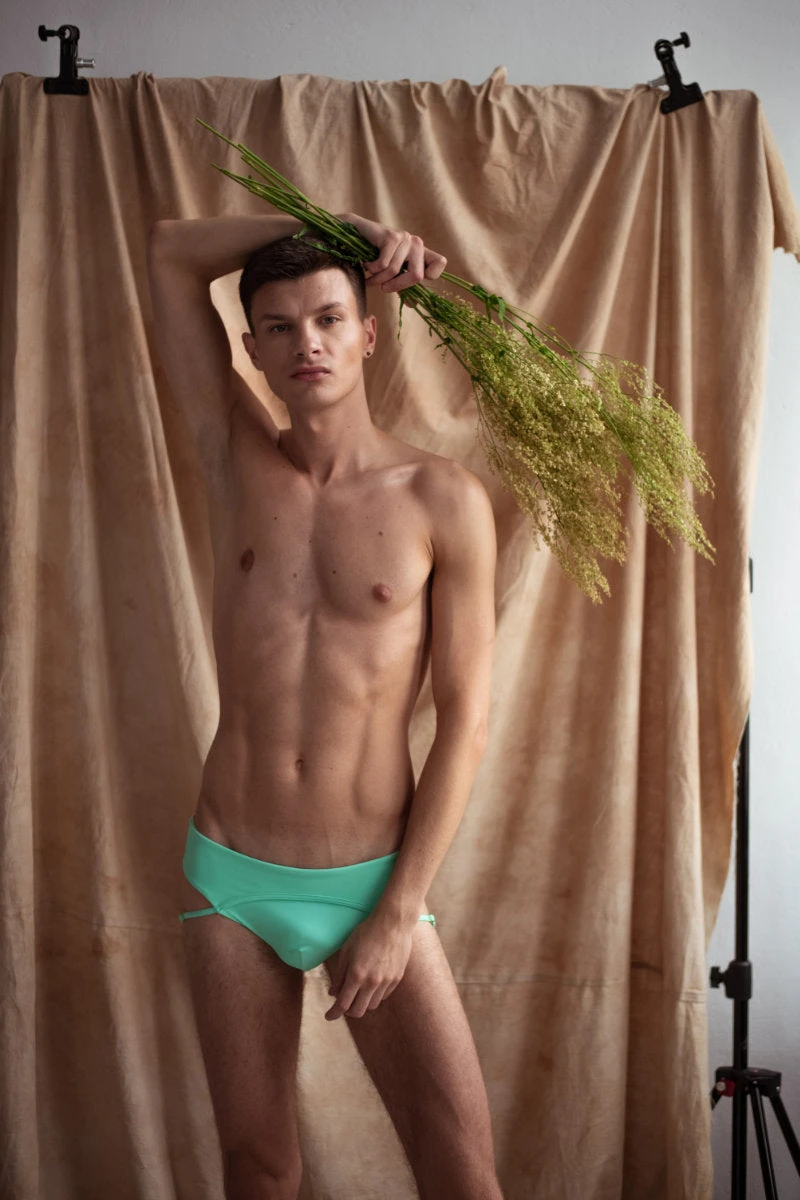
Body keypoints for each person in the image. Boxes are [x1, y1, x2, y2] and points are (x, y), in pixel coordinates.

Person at [146, 209, 501, 1200]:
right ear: (253, 348)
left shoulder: (442, 499)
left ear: (368, 332)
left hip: (372, 882)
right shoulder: (232, 455)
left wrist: (397, 910)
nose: (307, 342)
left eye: (329, 318)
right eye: (280, 326)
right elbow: (169, 251)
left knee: (462, 1175)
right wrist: (335, 224)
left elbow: (466, 722)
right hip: (231, 874)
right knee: (258, 1169)